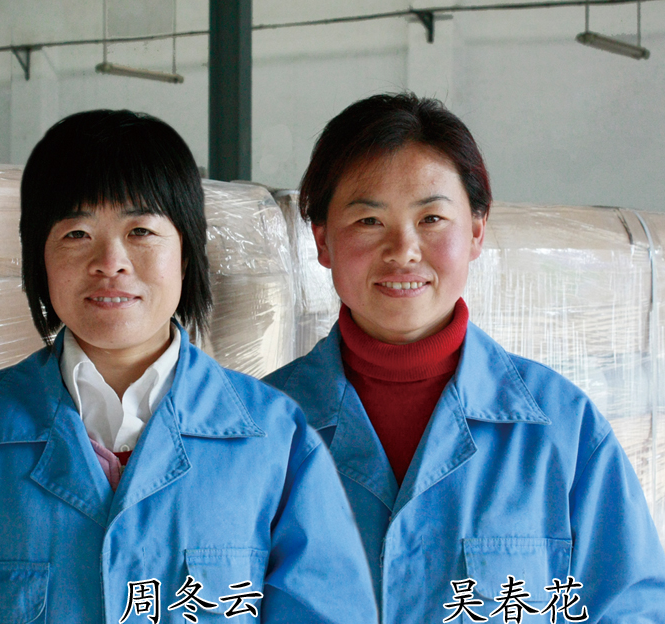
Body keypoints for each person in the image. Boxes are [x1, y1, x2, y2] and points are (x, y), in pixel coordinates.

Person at [0, 110, 377, 623]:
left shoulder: (276, 441)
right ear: (40, 258)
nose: (111, 261)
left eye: (141, 230)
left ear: (186, 254)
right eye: (76, 233)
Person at [264, 93, 665, 623]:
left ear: (476, 231)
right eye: (368, 221)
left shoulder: (562, 430)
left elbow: (631, 608)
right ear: (322, 241)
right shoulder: (256, 430)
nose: (403, 250)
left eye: (431, 218)